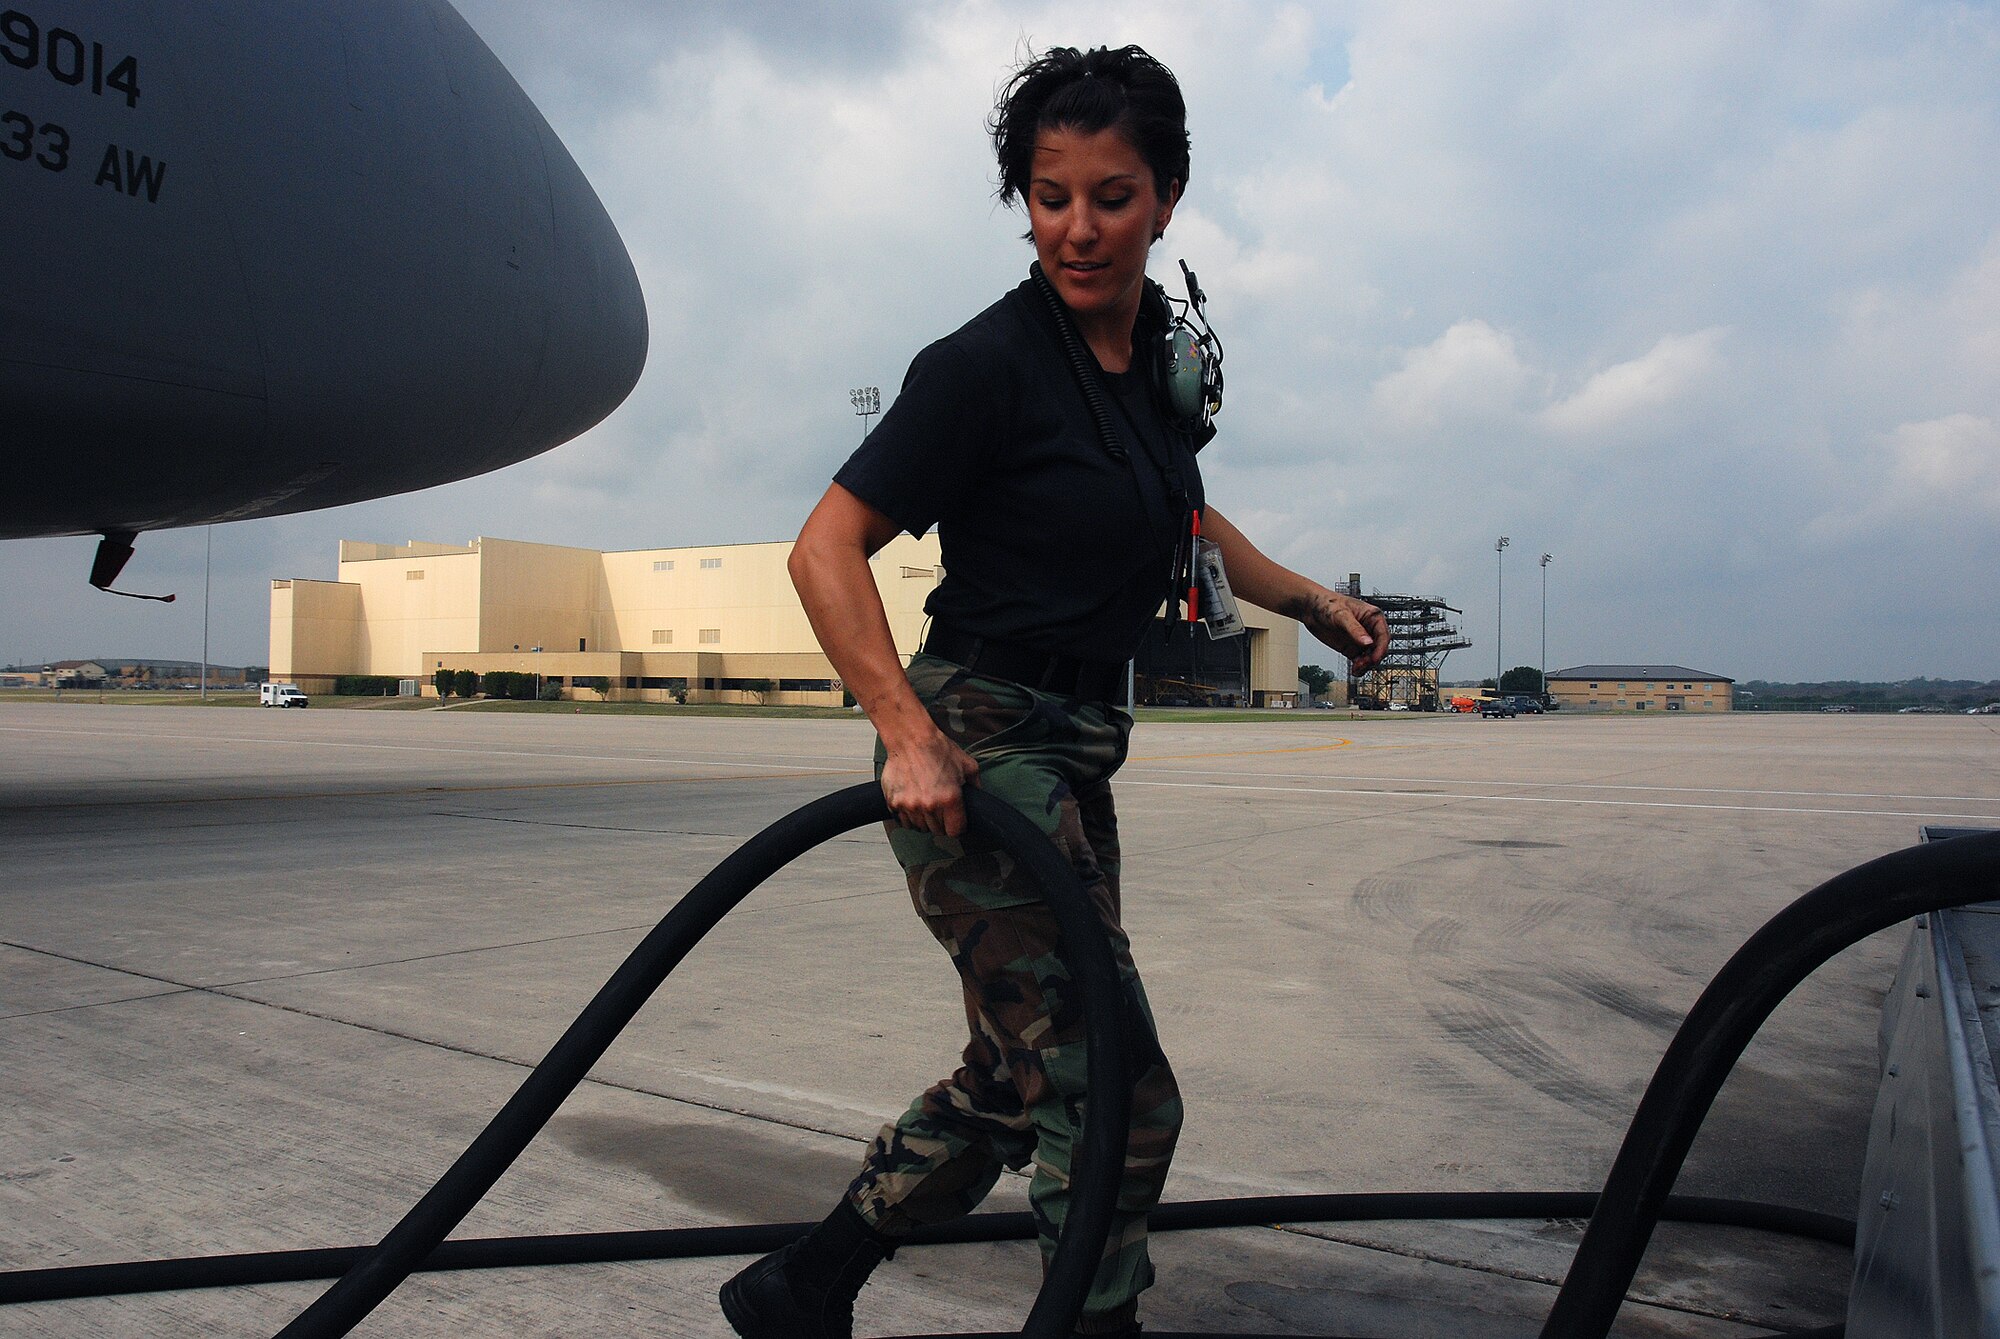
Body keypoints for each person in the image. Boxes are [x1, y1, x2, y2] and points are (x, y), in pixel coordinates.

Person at [719, 43, 1388, 1339]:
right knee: (1113, 1079)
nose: (1078, 229)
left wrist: (1306, 598)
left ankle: (805, 1286)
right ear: (1023, 199)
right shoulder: (985, 367)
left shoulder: (1153, 376)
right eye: (1050, 194)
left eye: (1113, 196)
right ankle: (1094, 1320)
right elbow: (825, 548)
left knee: (1023, 1070)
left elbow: (1186, 513)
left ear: (1169, 200)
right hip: (979, 745)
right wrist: (905, 737)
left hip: (1074, 745)